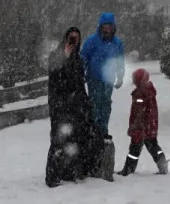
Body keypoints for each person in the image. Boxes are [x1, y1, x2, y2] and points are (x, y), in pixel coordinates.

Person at [44, 28, 93, 187]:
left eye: (76, 38)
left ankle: (67, 172)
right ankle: (52, 177)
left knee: (73, 140)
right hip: (60, 105)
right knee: (58, 141)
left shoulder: (78, 59)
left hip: (75, 106)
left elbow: (79, 83)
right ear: (65, 38)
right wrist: (63, 58)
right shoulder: (55, 56)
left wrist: (85, 102)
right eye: (71, 38)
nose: (73, 41)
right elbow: (55, 78)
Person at [80, 11, 126, 140]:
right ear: (100, 26)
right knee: (94, 104)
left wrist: (120, 76)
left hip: (108, 80)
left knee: (105, 105)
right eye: (105, 26)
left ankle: (103, 129)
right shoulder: (92, 41)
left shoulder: (117, 43)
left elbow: (120, 61)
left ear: (113, 27)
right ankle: (94, 130)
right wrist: (82, 73)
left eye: (109, 26)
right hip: (93, 78)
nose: (107, 29)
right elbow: (84, 58)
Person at [119, 67, 169, 176]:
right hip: (151, 125)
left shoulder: (140, 93)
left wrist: (134, 126)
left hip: (141, 127)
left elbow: (140, 111)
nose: (133, 80)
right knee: (153, 146)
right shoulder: (150, 90)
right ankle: (162, 165)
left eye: (134, 78)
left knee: (134, 149)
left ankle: (128, 170)